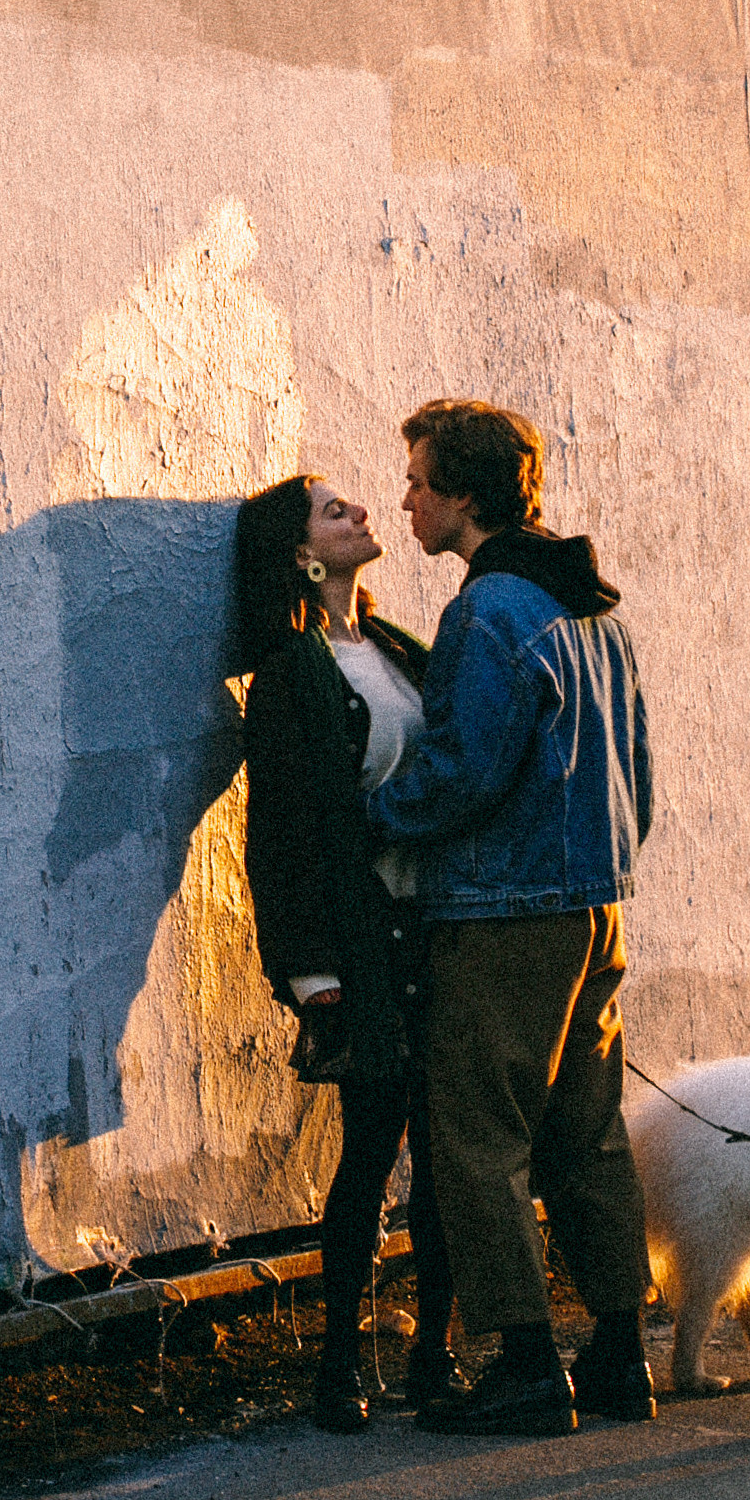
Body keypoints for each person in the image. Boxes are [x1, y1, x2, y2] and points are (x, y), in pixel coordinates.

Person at [367, 398, 658, 1437]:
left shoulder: (487, 612)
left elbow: (461, 773)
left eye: (416, 480)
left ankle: (526, 1362)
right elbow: (637, 770)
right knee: (588, 1132)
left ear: (464, 495)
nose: (402, 499)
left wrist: (369, 815)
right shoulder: (588, 605)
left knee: (477, 1137)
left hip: (501, 915)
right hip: (595, 905)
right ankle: (621, 1354)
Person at [234, 473, 463, 1429]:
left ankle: (434, 1356)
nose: (361, 513)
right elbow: (275, 831)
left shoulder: (403, 650)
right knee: (370, 1156)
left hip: (441, 932)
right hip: (362, 943)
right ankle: (338, 1365)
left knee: (453, 1153)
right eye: (334, 512)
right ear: (300, 554)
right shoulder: (289, 673)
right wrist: (304, 967)